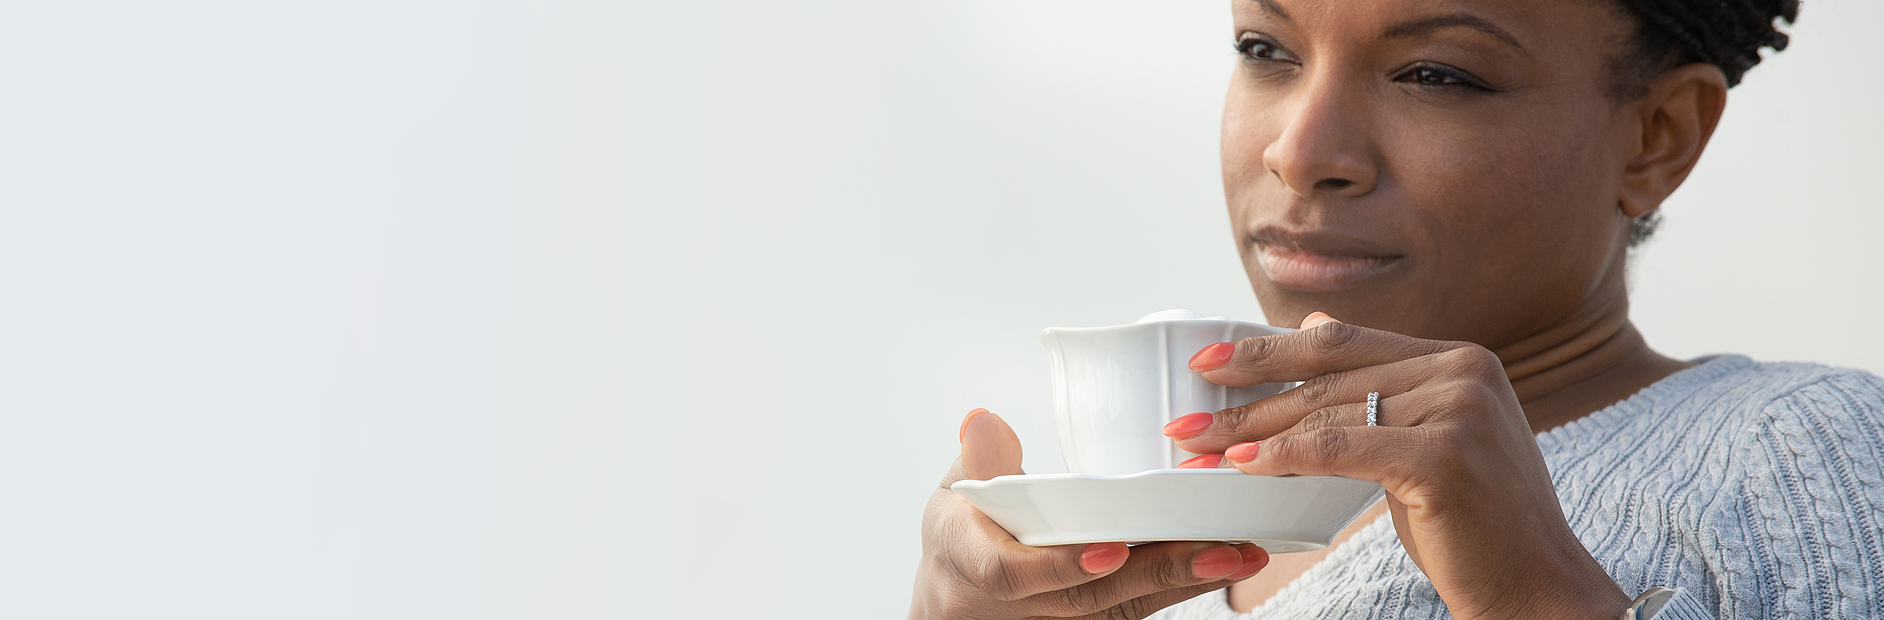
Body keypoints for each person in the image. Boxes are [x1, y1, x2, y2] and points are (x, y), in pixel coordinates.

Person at [908, 0, 1884, 618]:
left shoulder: (1806, 453)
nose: (1301, 150)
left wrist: (1536, 597)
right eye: (1265, 49)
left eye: (1435, 74)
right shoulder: (1129, 552)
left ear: (1658, 136)